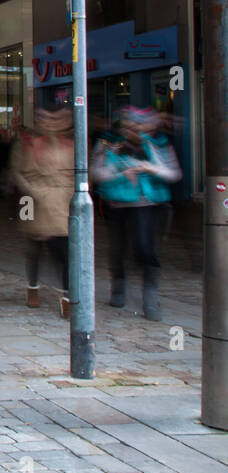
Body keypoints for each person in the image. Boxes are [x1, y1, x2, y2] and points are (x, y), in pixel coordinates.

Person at [90, 107, 181, 320]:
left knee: (145, 247)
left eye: (138, 125)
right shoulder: (107, 143)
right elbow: (96, 172)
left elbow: (174, 173)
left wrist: (150, 168)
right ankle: (118, 285)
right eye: (129, 125)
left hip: (147, 203)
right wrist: (120, 172)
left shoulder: (158, 144)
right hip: (119, 203)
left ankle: (150, 294)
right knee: (118, 248)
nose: (134, 130)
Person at [8, 107, 72, 310]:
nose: (48, 122)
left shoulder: (67, 143)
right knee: (33, 247)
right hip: (29, 199)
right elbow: (16, 172)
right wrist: (31, 191)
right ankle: (32, 287)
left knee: (63, 249)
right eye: (42, 118)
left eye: (51, 118)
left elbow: (73, 173)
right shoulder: (25, 143)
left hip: (59, 200)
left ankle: (66, 296)